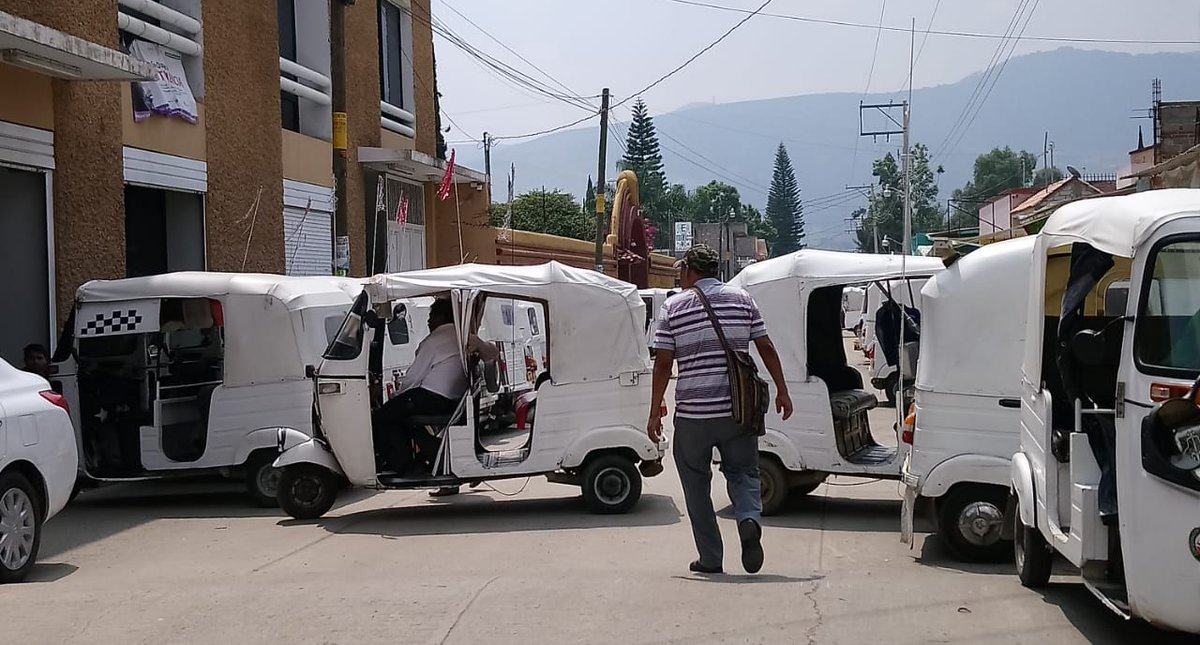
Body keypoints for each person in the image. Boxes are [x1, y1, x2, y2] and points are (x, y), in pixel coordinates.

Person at [648, 244, 793, 575]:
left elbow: (663, 363)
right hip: (738, 409)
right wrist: (783, 391)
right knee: (744, 472)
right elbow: (766, 347)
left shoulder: (673, 308)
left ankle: (711, 558)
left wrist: (655, 409)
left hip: (694, 414)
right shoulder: (743, 301)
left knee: (696, 484)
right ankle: (748, 519)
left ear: (689, 271)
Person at [372, 298, 499, 476]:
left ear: (441, 317)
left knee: (382, 417)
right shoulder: (463, 336)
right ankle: (434, 458)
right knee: (403, 418)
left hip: (432, 397)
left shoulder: (434, 340)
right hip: (452, 399)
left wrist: (398, 396)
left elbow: (414, 378)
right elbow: (493, 353)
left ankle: (405, 466)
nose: (429, 321)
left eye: (431, 316)